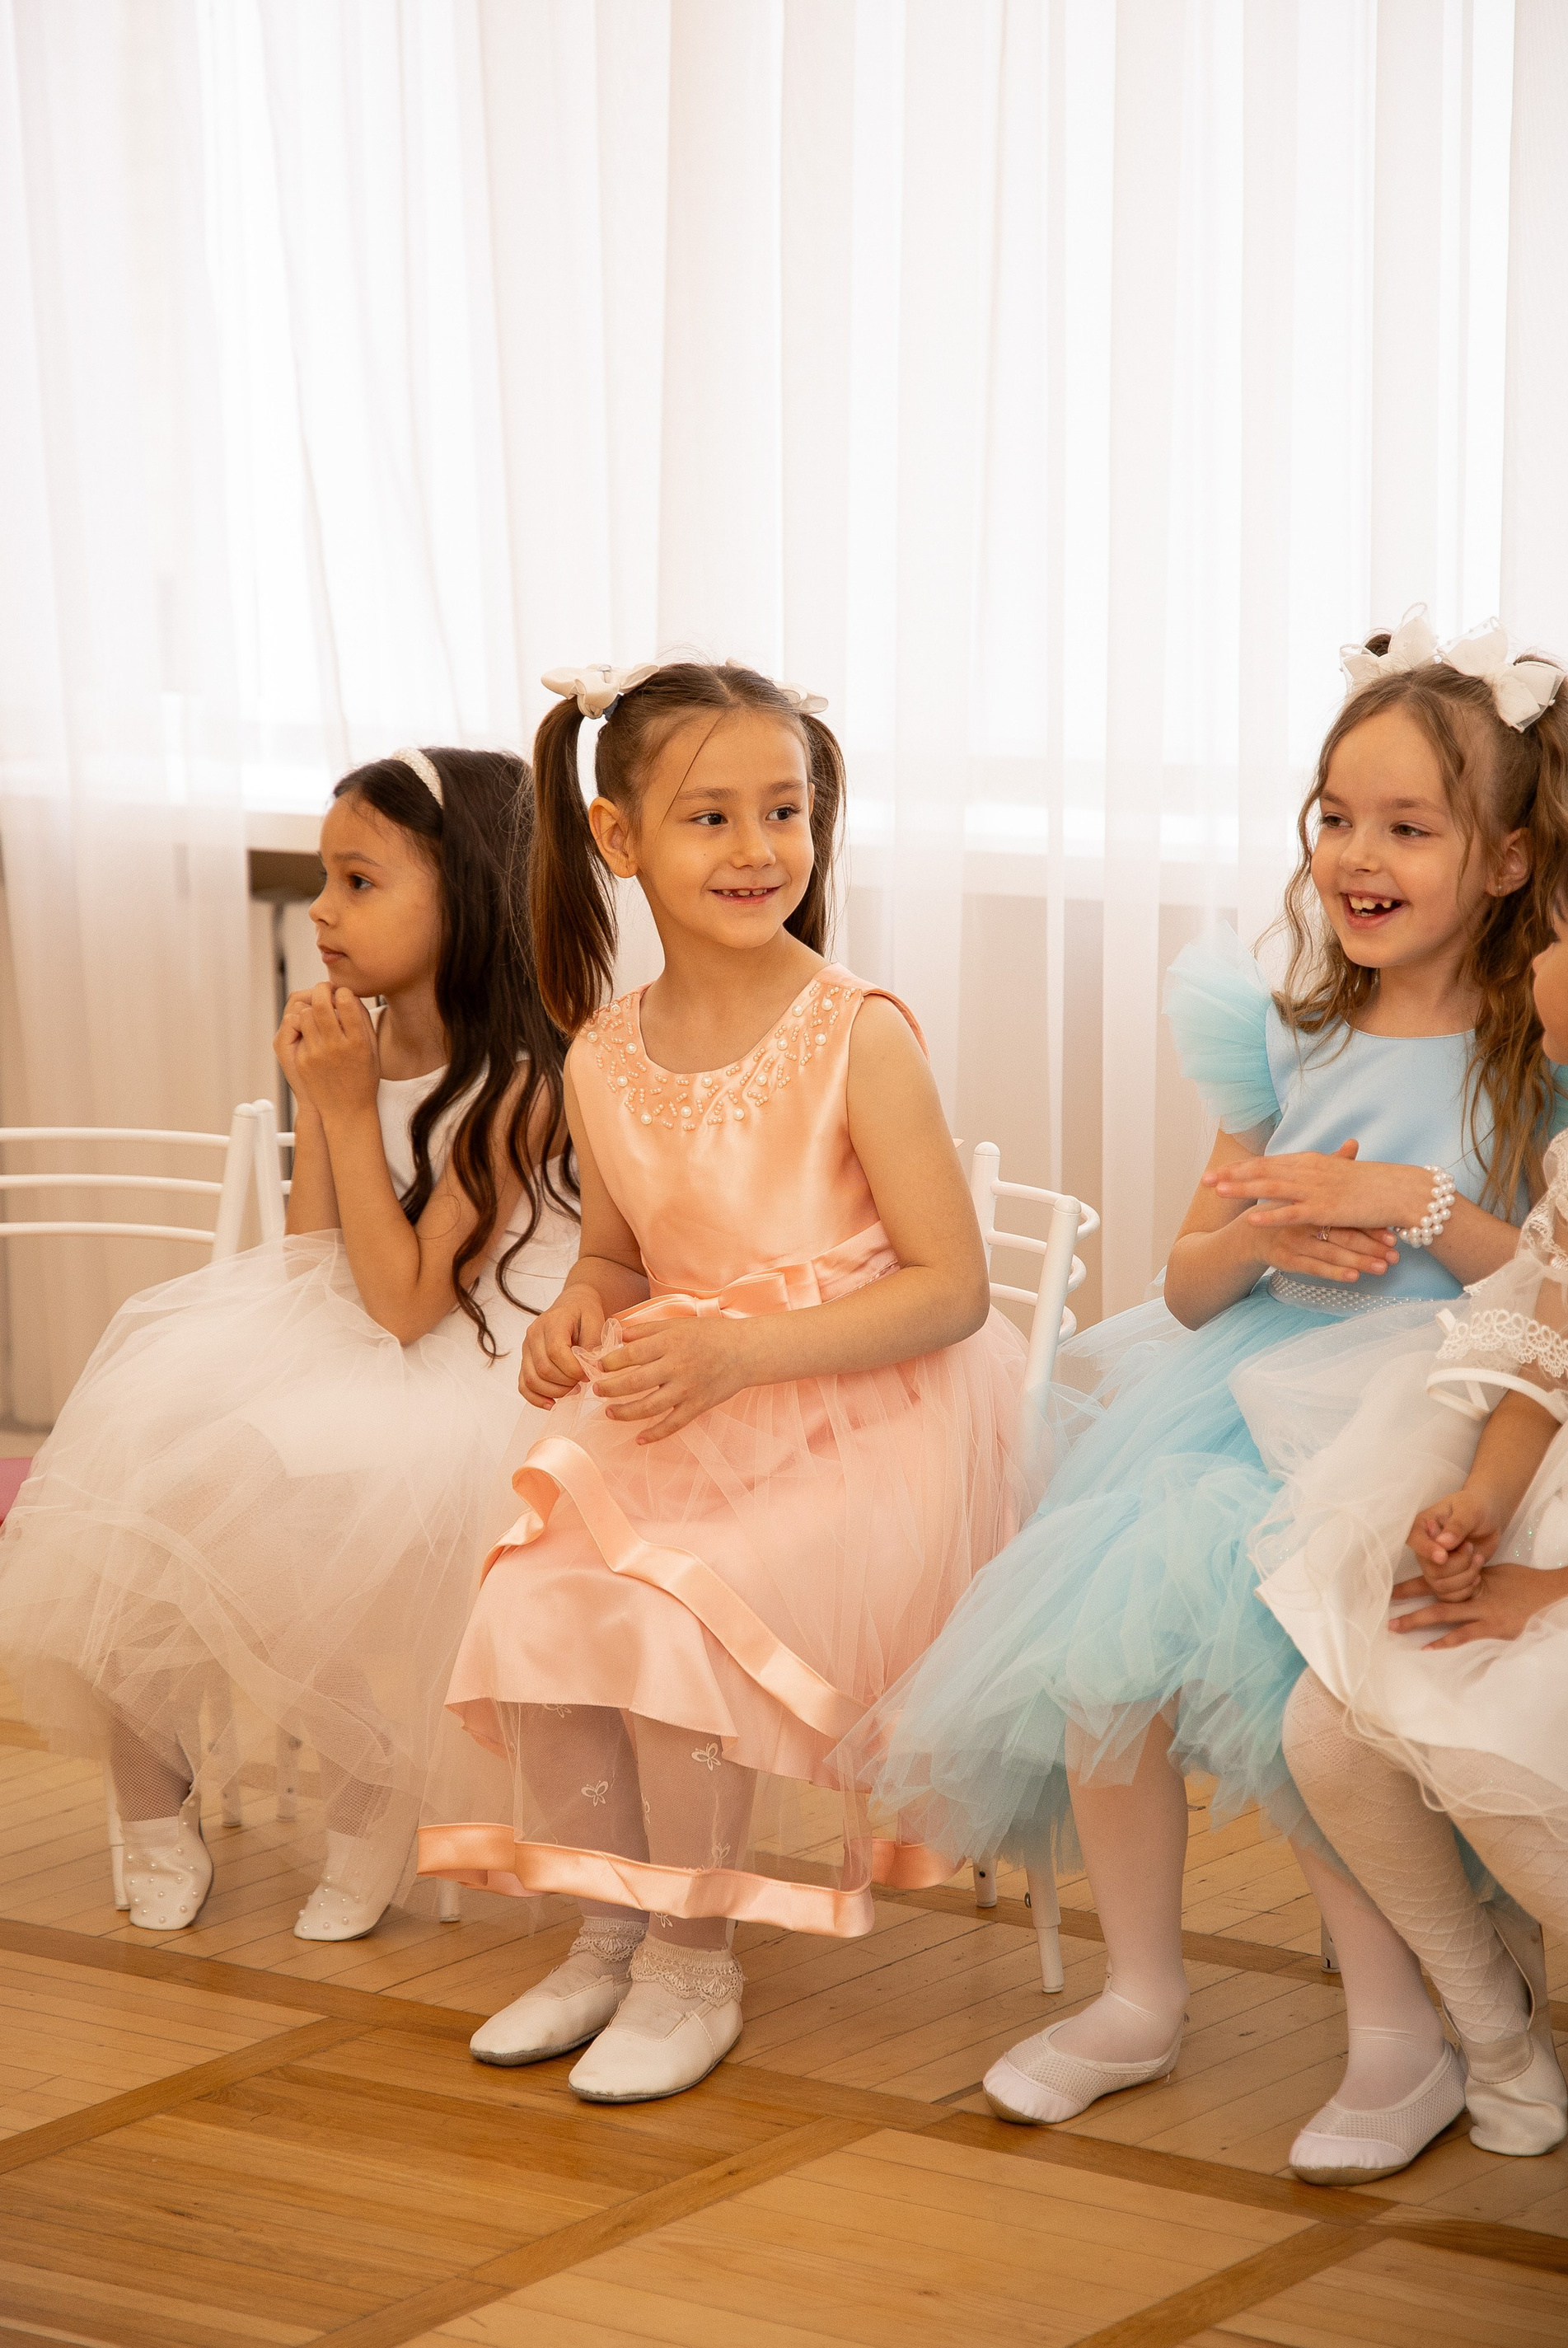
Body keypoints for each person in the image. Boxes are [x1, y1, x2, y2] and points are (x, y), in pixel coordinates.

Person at [849, 612, 1568, 2179]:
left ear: (1511, 859)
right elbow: (1185, 1282)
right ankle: (1140, 1994)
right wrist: (1262, 1235)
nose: (1358, 855)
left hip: (1435, 1406)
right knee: (1101, 1648)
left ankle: (1399, 2033)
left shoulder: (1543, 1047)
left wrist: (1408, 1203)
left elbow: (1555, 1275)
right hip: (1238, 1387)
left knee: (1290, 1656)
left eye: (1409, 826)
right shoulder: (1285, 1031)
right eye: (1337, 817)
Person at [418, 658, 1028, 2104]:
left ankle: (693, 1962)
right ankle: (608, 1925)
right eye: (711, 817)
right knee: (536, 1592)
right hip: (688, 1404)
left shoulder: (857, 1031)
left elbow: (952, 1287)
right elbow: (620, 1255)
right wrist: (580, 1309)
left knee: (679, 1611)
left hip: (864, 1417)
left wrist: (743, 1351)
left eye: (784, 810)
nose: (759, 849)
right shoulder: (600, 1054)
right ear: (619, 837)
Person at [0, 746, 578, 1941]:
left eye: (358, 881)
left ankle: (374, 1790)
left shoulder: (526, 1084)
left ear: (468, 896)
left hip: (484, 1370)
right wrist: (329, 1098)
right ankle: (152, 1803)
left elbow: (410, 1302)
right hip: (356, 1331)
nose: (321, 910)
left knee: (279, 1506)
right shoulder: (358, 1039)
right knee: (150, 1475)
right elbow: (315, 1261)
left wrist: (348, 1104)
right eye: (323, 878)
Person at [1247, 849, 1568, 2172]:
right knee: (1326, 1725)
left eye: (1552, 940)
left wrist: (1548, 1594)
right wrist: (1480, 1505)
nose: (1533, 965)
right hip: (1552, 1519)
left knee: (1496, 1751)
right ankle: (1490, 2023)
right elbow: (1543, 1357)